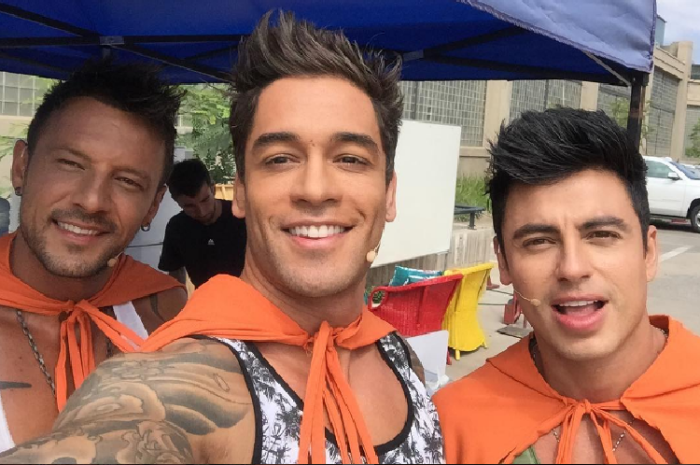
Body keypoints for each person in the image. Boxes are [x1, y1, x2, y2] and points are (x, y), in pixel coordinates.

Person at [0, 11, 444, 465]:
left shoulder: (399, 358)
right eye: (280, 158)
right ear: (242, 192)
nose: (315, 189)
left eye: (350, 159)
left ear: (390, 193)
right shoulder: (181, 386)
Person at [434, 109, 700, 464]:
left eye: (602, 235)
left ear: (648, 252)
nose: (572, 268)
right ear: (504, 262)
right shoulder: (451, 425)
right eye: (539, 242)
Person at [0, 60, 188, 453]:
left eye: (127, 181)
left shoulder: (167, 316)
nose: (91, 200)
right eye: (70, 164)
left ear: (154, 205)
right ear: (21, 167)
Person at [159, 158, 247, 287]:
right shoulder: (177, 228)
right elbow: (175, 274)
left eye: (205, 200)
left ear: (213, 189)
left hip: (248, 296)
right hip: (204, 298)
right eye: (189, 206)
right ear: (176, 201)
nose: (202, 212)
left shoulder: (242, 218)